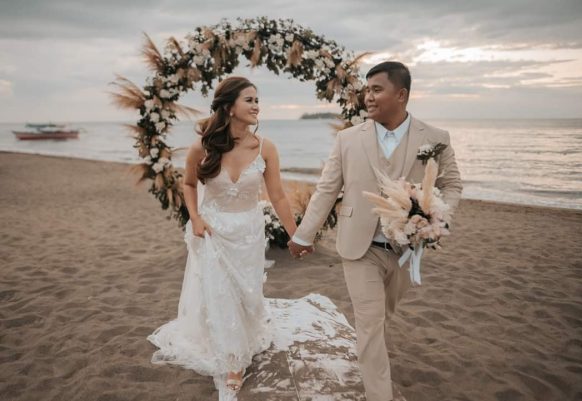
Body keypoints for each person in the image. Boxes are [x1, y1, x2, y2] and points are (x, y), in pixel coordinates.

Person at [288, 61, 463, 401]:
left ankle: (371, 361)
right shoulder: (348, 139)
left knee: (383, 317)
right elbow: (326, 190)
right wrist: (303, 235)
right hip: (358, 246)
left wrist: (436, 215)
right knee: (369, 323)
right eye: (366, 90)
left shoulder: (436, 139)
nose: (368, 97)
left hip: (405, 251)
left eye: (376, 90)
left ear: (402, 95)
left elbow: (452, 184)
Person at [147, 76, 298, 393]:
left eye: (258, 100)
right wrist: (196, 217)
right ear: (229, 107)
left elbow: (279, 196)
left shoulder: (265, 148)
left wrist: (296, 234)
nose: (257, 106)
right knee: (220, 293)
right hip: (213, 231)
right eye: (249, 100)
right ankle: (233, 361)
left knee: (245, 293)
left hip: (249, 232)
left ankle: (240, 338)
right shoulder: (202, 147)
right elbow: (188, 185)